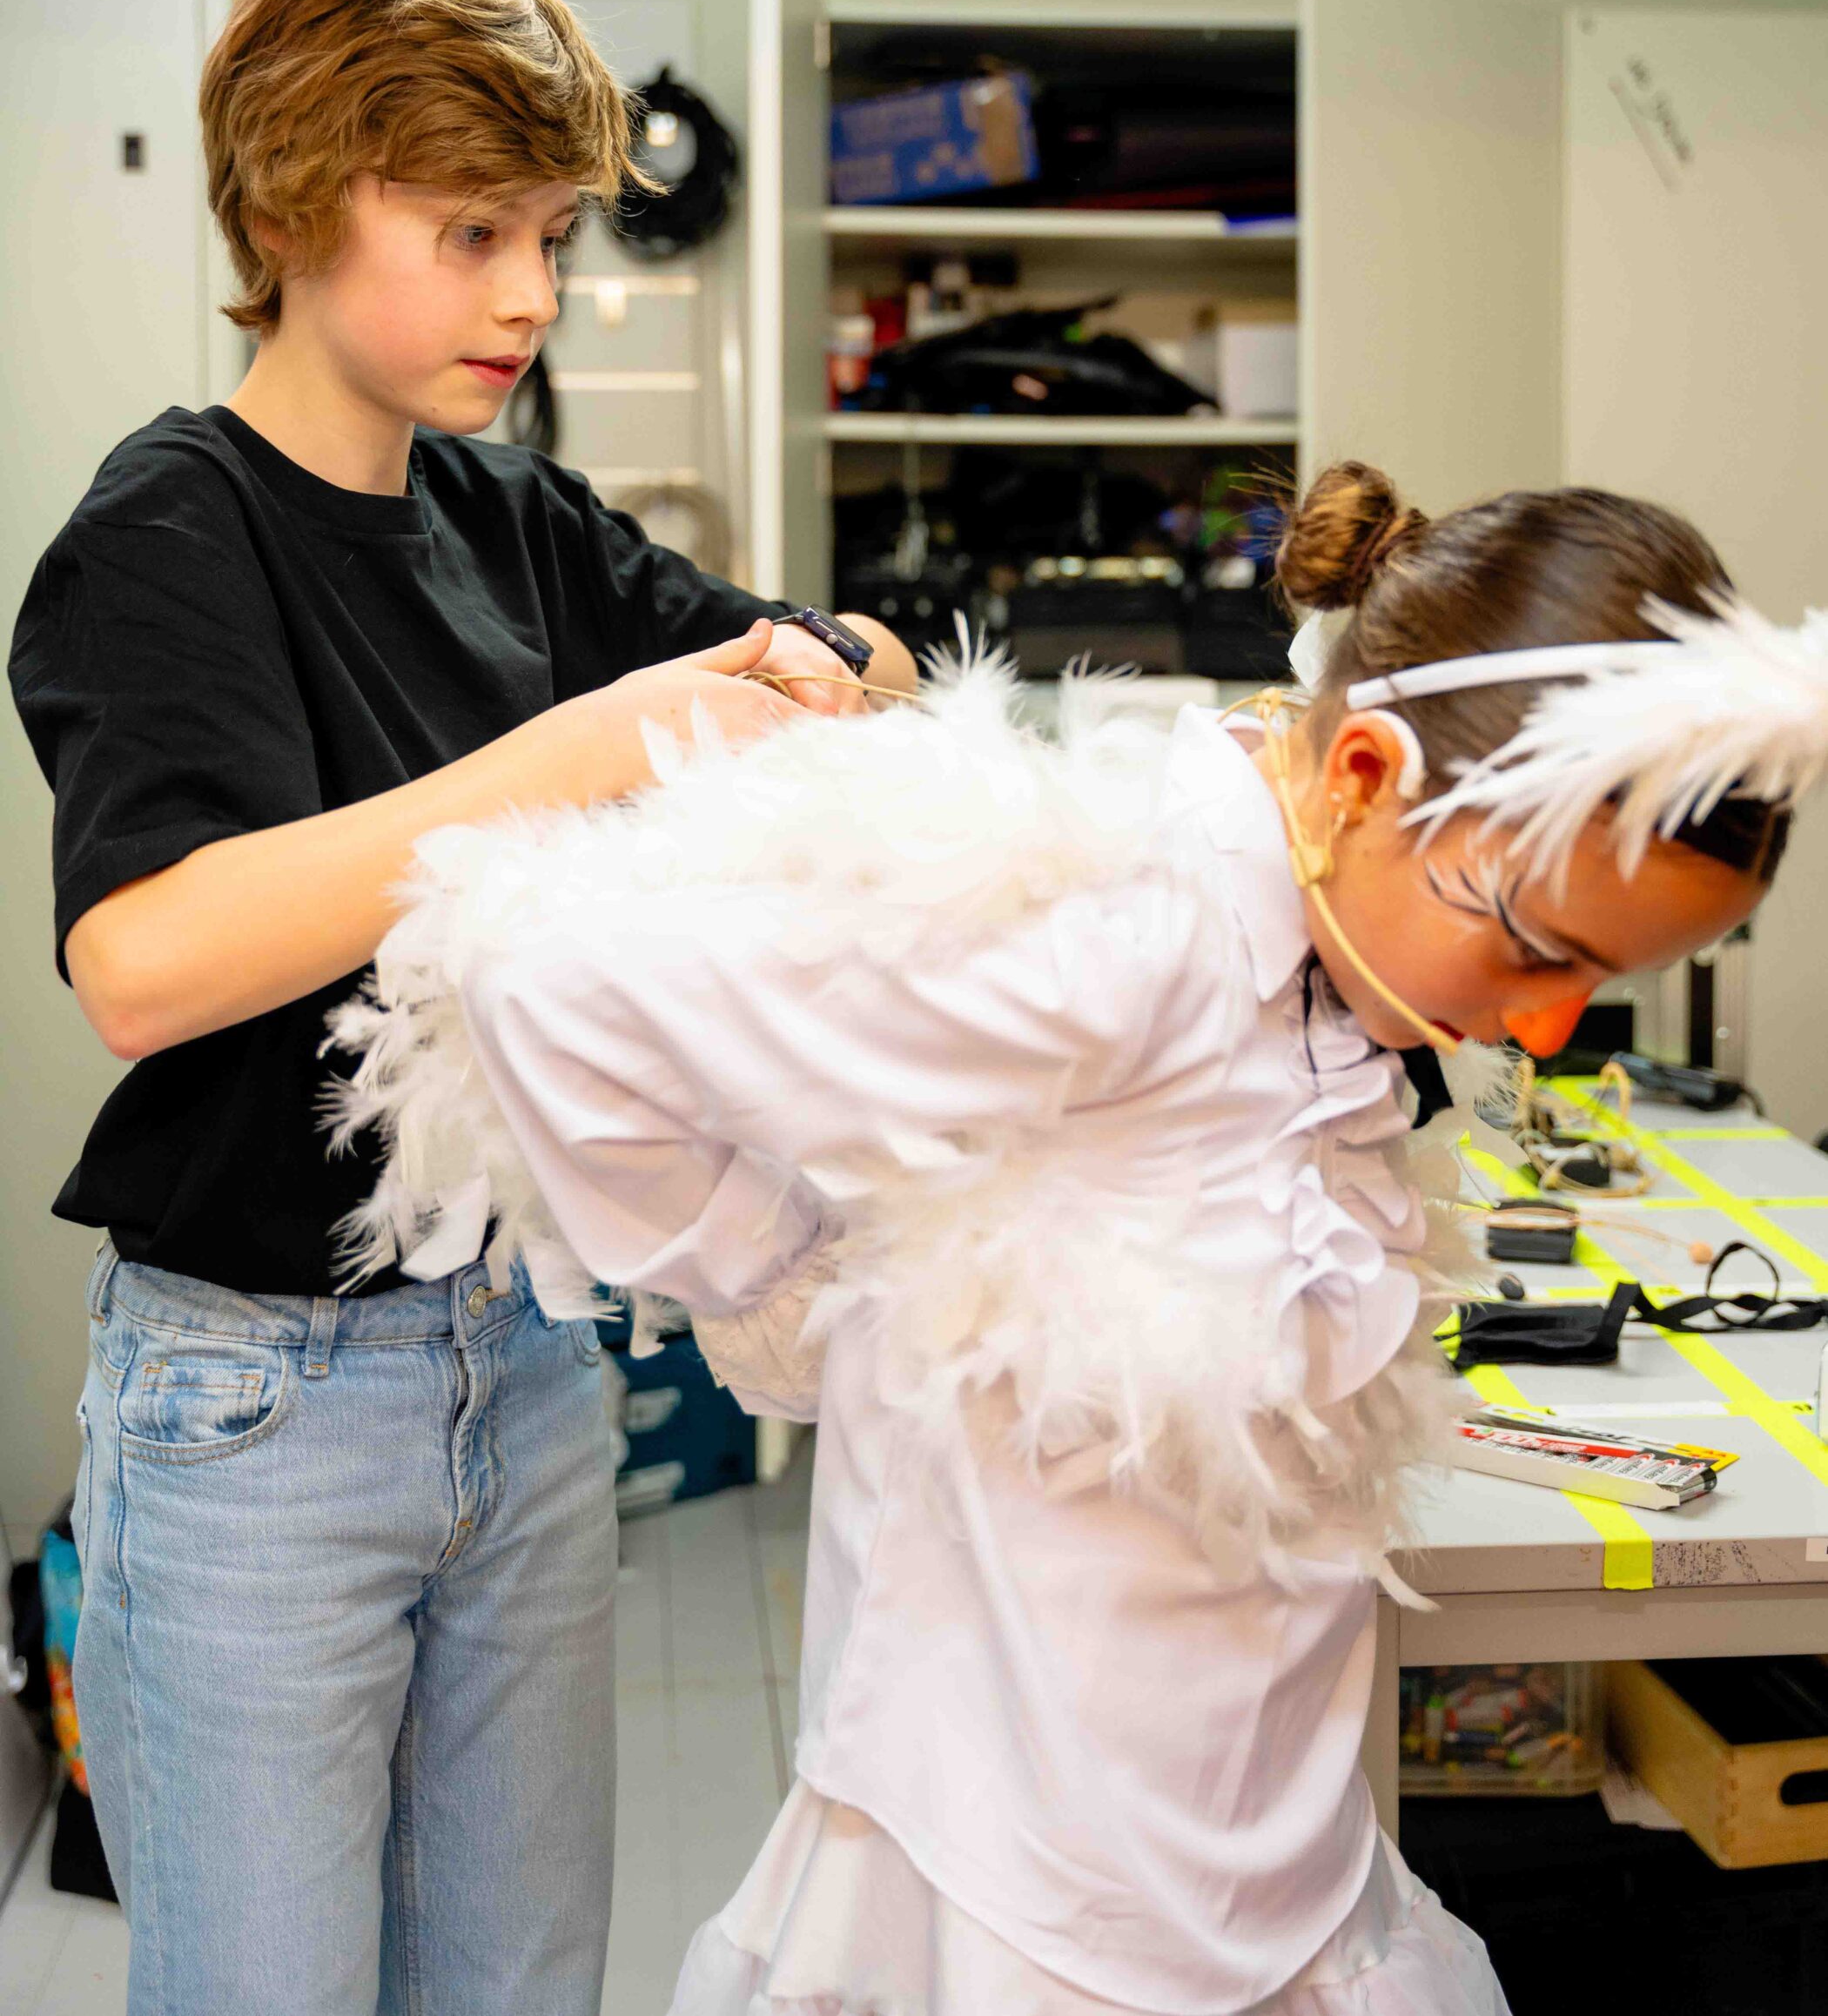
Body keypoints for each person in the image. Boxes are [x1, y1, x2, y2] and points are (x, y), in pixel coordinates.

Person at [337, 460, 1818, 2016]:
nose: (1548, 1022)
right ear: (1368, 775)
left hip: (1271, 1839)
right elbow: (551, 989)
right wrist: (786, 1287)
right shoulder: (1120, 945)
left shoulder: (1346, 943)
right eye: (1538, 949)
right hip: (1021, 1893)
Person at [6, 0, 913, 2016]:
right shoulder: (166, 531)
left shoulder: (513, 518)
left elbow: (777, 662)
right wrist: (573, 754)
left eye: (553, 236)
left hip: (520, 1362)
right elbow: (145, 960)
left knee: (516, 1985)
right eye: (472, 230)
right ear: (307, 201)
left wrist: (837, 674)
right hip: (254, 1409)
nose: (531, 291)